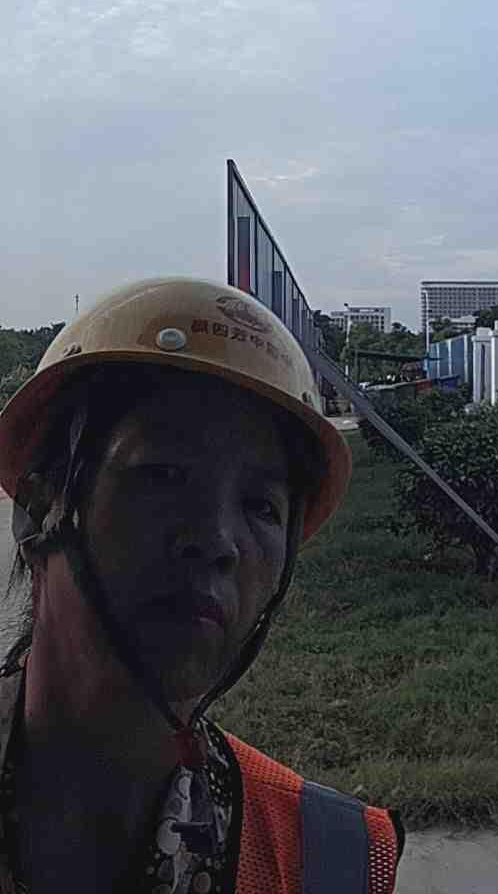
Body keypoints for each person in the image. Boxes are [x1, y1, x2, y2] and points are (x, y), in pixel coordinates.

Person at [0, 277, 404, 893]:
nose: (217, 541)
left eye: (261, 507)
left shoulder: (330, 864)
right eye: (162, 474)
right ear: (41, 505)